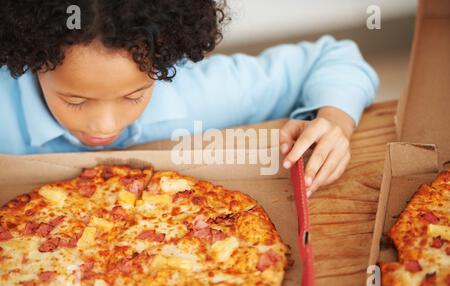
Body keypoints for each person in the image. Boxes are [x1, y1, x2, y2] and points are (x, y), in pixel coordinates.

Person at [0, 0, 378, 197]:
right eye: (76, 101)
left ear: (165, 61)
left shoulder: (202, 93)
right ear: (32, 60)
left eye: (135, 95)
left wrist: (334, 119)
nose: (106, 125)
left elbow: (333, 57)